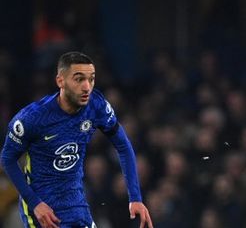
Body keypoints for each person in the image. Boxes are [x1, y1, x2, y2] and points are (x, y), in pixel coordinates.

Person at [0, 51, 153, 228]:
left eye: (91, 79)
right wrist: (35, 203)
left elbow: (123, 146)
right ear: (60, 81)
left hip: (77, 205)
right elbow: (7, 159)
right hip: (44, 210)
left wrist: (135, 197)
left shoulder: (97, 106)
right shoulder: (32, 118)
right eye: (79, 79)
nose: (87, 87)